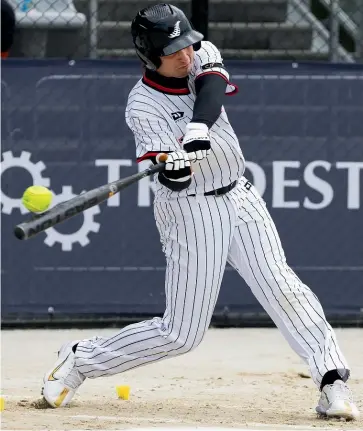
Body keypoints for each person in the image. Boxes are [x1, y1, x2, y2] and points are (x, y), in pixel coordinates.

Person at [41, 3, 359, 420]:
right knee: (182, 334)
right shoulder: (142, 106)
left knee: (283, 287)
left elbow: (211, 85)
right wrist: (176, 165)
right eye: (173, 51)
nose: (185, 55)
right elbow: (173, 182)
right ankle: (81, 359)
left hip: (239, 195)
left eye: (187, 46)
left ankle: (332, 381)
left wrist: (198, 128)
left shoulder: (198, 57)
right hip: (191, 211)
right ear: (149, 55)